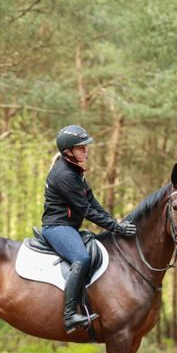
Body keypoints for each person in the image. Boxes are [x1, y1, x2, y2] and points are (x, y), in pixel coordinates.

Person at [41, 125, 136, 334]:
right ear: (68, 151)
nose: (86, 150)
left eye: (86, 147)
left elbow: (92, 201)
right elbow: (85, 210)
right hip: (57, 227)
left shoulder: (76, 172)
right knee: (81, 258)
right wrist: (116, 228)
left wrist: (114, 222)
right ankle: (69, 316)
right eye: (81, 147)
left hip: (69, 227)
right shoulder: (64, 175)